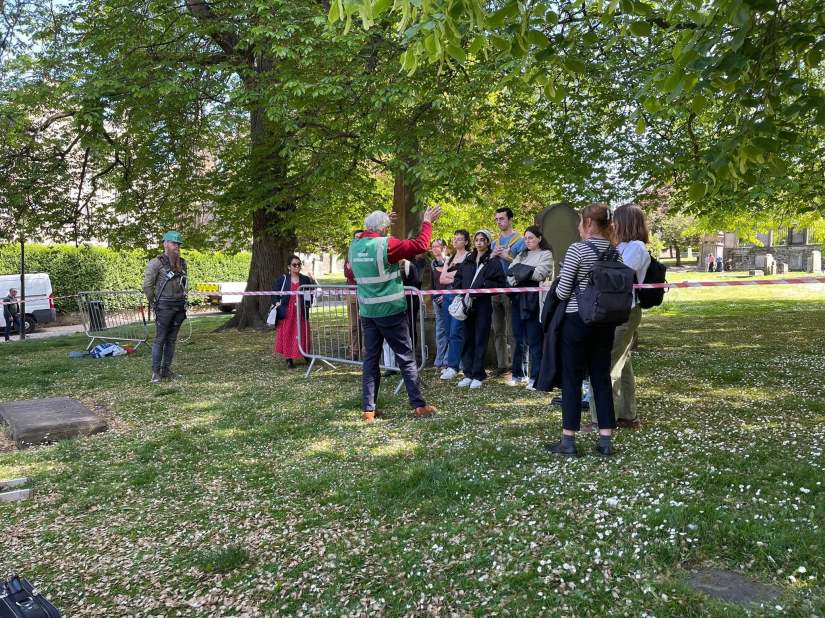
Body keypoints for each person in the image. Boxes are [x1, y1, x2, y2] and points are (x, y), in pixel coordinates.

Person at [349, 207, 441, 422]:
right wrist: (427, 222)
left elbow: (365, 250)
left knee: (370, 361)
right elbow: (420, 246)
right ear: (383, 228)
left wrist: (382, 225)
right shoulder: (386, 244)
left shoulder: (355, 245)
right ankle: (419, 405)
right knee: (406, 358)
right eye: (387, 226)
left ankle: (368, 410)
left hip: (368, 311)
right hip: (390, 310)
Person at [546, 204, 619, 457]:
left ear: (588, 223)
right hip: (605, 321)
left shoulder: (578, 249)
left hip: (577, 319)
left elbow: (563, 290)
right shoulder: (613, 252)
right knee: (600, 376)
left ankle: (568, 439)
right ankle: (606, 440)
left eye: (580, 222)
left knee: (572, 378)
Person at [587, 204, 650, 431]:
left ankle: (601, 419)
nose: (612, 224)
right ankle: (627, 415)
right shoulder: (620, 246)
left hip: (624, 311)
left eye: (616, 220)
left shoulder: (637, 247)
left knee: (607, 365)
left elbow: (615, 275)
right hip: (612, 312)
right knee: (623, 366)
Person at [452, 230, 507, 389]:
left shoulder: (493, 261)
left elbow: (500, 282)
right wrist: (460, 290)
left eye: (483, 240)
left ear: (488, 243)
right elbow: (458, 277)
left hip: (483, 304)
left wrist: (484, 287)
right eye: (477, 240)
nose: (479, 242)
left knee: (480, 339)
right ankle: (468, 373)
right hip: (466, 304)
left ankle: (478, 374)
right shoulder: (468, 259)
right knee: (467, 338)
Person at [506, 226, 553, 390]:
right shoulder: (521, 254)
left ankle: (536, 377)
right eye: (526, 238)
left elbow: (540, 274)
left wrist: (521, 272)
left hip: (535, 301)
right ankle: (519, 374)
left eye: (531, 238)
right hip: (518, 300)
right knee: (518, 337)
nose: (528, 241)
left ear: (539, 238)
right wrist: (525, 272)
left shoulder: (546, 254)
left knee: (534, 340)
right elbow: (510, 274)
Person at [143, 231, 189, 384]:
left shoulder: (182, 263)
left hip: (179, 306)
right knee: (160, 339)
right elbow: (147, 286)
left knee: (172, 339)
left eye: (178, 244)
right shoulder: (155, 263)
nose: (176, 246)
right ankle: (155, 372)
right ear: (165, 244)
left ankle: (166, 370)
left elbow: (185, 283)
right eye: (173, 243)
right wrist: (153, 302)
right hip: (164, 305)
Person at [490, 207, 526, 377]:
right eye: (497, 219)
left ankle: (516, 366)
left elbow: (525, 266)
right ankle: (502, 364)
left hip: (512, 289)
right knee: (498, 329)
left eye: (502, 218)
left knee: (513, 330)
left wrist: (507, 257)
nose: (499, 222)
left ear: (510, 219)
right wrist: (492, 256)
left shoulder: (521, 241)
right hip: (495, 289)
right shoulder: (493, 243)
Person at [436, 230, 470, 380]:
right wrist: (455, 276)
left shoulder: (469, 257)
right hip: (448, 296)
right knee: (449, 331)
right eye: (454, 238)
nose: (456, 241)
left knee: (457, 331)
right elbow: (442, 279)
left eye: (460, 239)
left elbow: (464, 278)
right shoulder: (449, 259)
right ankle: (451, 365)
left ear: (466, 242)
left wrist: (454, 276)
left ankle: (454, 366)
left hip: (460, 297)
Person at [272, 255, 316, 368]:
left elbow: (311, 291)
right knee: (288, 333)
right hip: (287, 311)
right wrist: (277, 305)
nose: (297, 266)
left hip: (301, 311)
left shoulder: (305, 279)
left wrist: (313, 280)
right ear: (289, 267)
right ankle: (289, 358)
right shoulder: (283, 279)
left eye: (299, 264)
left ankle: (305, 354)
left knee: (303, 332)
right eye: (294, 265)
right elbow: (274, 293)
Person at [429, 239, 449, 369]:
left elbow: (453, 281)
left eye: (437, 246)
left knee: (450, 330)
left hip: (449, 299)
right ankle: (439, 359)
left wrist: (446, 295)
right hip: (437, 301)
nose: (435, 249)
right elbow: (432, 283)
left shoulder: (450, 261)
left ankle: (448, 360)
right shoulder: (432, 264)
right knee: (440, 330)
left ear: (444, 248)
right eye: (433, 247)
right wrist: (433, 297)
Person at [343, 230, 363, 360]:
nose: (358, 239)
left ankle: (368, 350)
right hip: (352, 294)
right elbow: (347, 273)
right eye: (356, 237)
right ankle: (354, 350)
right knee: (353, 325)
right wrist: (360, 273)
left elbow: (368, 271)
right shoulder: (349, 254)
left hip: (366, 292)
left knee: (367, 323)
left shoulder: (367, 253)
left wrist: (356, 271)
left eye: (360, 237)